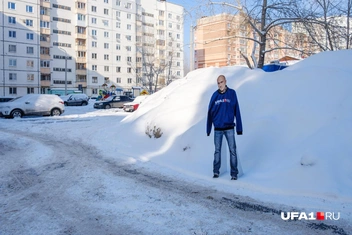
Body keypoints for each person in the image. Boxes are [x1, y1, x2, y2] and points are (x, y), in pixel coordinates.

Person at [206, 75, 243, 180]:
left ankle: (234, 174)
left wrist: (239, 129)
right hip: (218, 129)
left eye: (221, 82)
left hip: (229, 128)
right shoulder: (214, 96)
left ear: (225, 81)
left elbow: (237, 111)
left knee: (232, 150)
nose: (220, 84)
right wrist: (208, 129)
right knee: (217, 151)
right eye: (218, 83)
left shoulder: (232, 94)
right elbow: (209, 113)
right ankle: (216, 172)